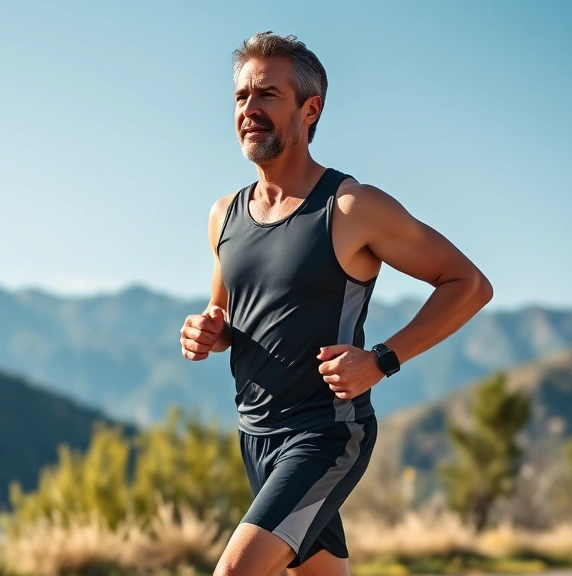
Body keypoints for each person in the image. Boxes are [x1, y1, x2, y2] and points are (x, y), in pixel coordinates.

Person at [179, 32, 493, 576]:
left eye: (267, 95)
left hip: (325, 433)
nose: (249, 109)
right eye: (240, 97)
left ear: (310, 108)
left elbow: (467, 283)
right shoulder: (224, 215)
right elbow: (224, 314)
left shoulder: (350, 207)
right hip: (255, 435)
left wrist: (381, 360)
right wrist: (207, 331)